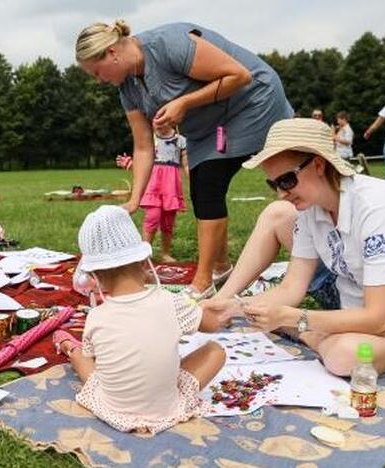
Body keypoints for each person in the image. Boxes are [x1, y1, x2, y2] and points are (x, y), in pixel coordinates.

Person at [207, 118, 385, 376]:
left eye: (287, 181)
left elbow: (379, 320)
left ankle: (315, 335)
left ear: (319, 165)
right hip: (350, 297)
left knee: (343, 356)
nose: (281, 193)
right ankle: (315, 331)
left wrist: (292, 319)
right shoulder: (310, 207)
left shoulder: (378, 209)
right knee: (277, 213)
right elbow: (292, 287)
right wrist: (234, 308)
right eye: (274, 184)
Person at [75, 20, 293, 301]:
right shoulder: (127, 89)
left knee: (210, 181)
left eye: (96, 72)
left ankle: (202, 283)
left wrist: (184, 103)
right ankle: (222, 269)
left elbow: (238, 75)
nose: (98, 80)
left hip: (252, 103)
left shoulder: (169, 44)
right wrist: (134, 200)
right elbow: (143, 147)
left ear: (111, 53)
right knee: (202, 187)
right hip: (208, 128)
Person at [53, 205, 226, 434]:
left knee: (86, 362)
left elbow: (98, 358)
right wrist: (202, 307)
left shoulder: (96, 316)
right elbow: (214, 324)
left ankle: (69, 348)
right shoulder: (173, 302)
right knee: (216, 351)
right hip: (166, 409)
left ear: (95, 278)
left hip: (112, 409)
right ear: (146, 263)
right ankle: (75, 350)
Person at [117, 123, 188, 262]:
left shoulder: (181, 140)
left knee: (168, 221)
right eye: (154, 121)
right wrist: (129, 164)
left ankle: (165, 253)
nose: (157, 125)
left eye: (161, 121)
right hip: (152, 185)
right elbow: (142, 164)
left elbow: (186, 164)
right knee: (152, 217)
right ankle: (145, 254)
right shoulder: (149, 139)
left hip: (170, 187)